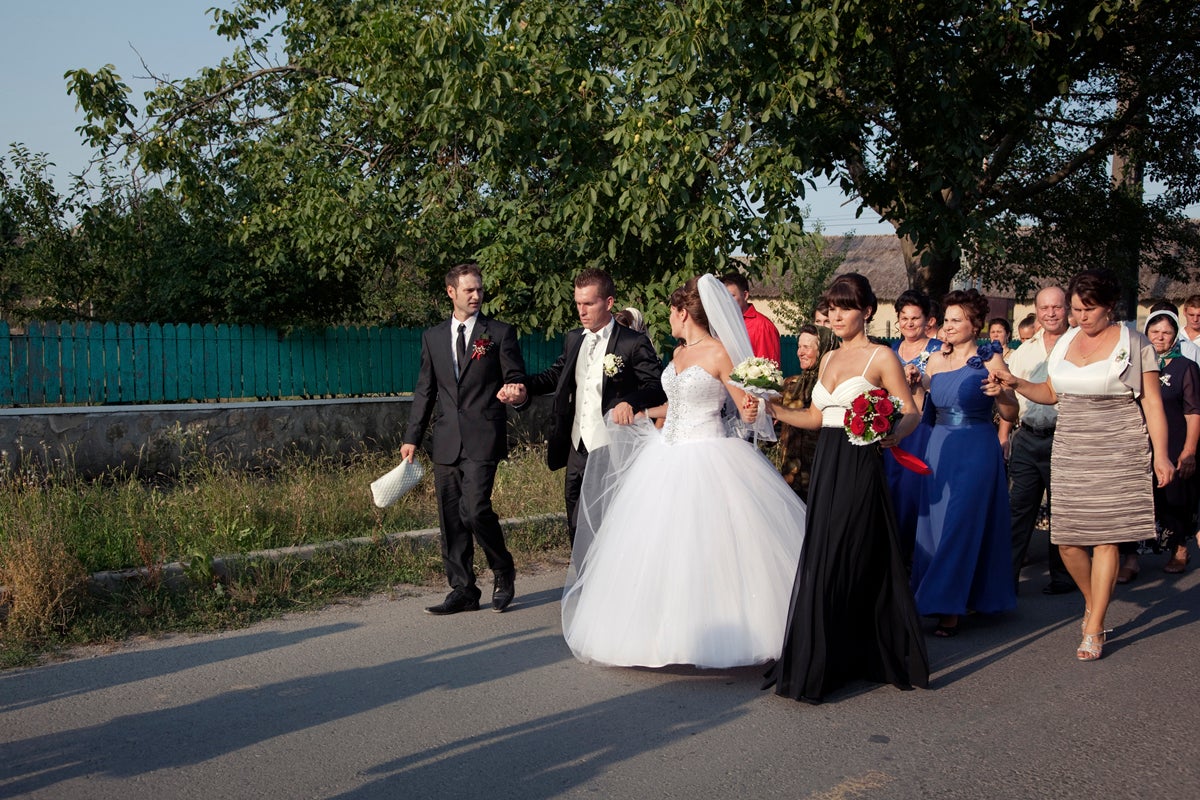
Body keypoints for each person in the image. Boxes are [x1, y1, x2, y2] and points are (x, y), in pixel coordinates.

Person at [561, 275, 806, 667]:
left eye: (671, 314)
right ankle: (657, 634)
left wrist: (751, 408)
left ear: (683, 313)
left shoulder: (719, 353)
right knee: (656, 547)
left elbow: (745, 403)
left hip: (708, 454)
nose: (668, 321)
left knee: (710, 548)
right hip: (666, 453)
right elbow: (674, 406)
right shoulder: (676, 355)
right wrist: (640, 412)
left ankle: (720, 632)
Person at [991, 269, 1175, 661]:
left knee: (1106, 537)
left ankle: (1094, 626)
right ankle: (1095, 600)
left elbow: (1153, 404)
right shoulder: (1066, 341)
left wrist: (1161, 454)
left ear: (1109, 306)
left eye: (1089, 309)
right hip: (1072, 444)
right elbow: (1052, 393)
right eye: (1076, 309)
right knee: (1067, 539)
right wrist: (1015, 382)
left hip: (1118, 444)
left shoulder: (1135, 342)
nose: (1081, 316)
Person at [764, 273, 929, 703]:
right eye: (831, 308)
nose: (835, 315)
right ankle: (831, 656)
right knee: (823, 553)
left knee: (849, 552)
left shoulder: (881, 357)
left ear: (868, 311)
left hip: (859, 463)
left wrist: (893, 431)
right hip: (826, 464)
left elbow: (910, 412)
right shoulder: (829, 358)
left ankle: (863, 652)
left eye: (845, 307)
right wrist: (774, 408)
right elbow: (818, 418)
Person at [401, 263, 527, 615]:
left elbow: (515, 374)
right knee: (450, 519)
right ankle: (463, 590)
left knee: (474, 510)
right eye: (469, 290)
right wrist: (412, 436)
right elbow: (425, 391)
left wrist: (514, 389)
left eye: (480, 289)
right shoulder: (434, 337)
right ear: (451, 292)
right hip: (445, 440)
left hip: (483, 436)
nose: (476, 295)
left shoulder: (498, 333)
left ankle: (503, 569)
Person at [505, 269, 665, 544]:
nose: (582, 310)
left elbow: (656, 387)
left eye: (588, 303)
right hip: (577, 444)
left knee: (603, 520)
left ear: (609, 303)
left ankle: (600, 580)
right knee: (574, 516)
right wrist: (523, 387)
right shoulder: (573, 338)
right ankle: (584, 579)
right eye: (578, 303)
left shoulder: (632, 342)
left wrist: (630, 401)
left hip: (612, 445)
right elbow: (555, 376)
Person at [912, 290, 1018, 636]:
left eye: (957, 320)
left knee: (961, 523)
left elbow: (1010, 412)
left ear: (976, 325)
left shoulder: (991, 360)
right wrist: (916, 382)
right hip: (939, 447)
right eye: (946, 320)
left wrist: (1000, 394)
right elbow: (925, 402)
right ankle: (954, 593)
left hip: (976, 448)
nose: (949, 326)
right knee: (935, 526)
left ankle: (947, 606)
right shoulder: (936, 360)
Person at [1116, 308, 1200, 579]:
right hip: (1137, 442)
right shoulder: (1133, 366)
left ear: (1175, 336)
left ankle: (1178, 546)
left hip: (1173, 442)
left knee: (1172, 497)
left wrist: (1189, 451)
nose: (1160, 338)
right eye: (1155, 332)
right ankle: (1131, 558)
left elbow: (1194, 412)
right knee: (1134, 500)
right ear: (1146, 334)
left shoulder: (1185, 367)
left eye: (1166, 333)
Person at [1005, 287, 1076, 596]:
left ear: (1067, 310)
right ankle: (1005, 579)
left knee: (1062, 511)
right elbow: (1009, 396)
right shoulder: (1024, 351)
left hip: (1066, 439)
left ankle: (1063, 576)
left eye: (1057, 307)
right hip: (1028, 438)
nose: (1050, 313)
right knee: (1018, 510)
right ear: (1036, 310)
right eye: (1044, 307)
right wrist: (1004, 434)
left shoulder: (1078, 346)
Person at [887, 289, 943, 563]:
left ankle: (919, 558)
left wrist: (923, 380)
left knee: (916, 493)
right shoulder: (889, 352)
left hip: (925, 430)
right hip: (892, 430)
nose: (909, 323)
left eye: (915, 318)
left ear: (927, 320)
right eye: (904, 318)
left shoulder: (938, 349)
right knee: (892, 492)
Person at [775, 323, 839, 499]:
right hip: (791, 474)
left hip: (822, 473)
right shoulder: (790, 384)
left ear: (825, 350)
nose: (799, 352)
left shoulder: (833, 387)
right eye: (799, 347)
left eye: (807, 347)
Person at [722, 272, 781, 363]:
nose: (727, 301)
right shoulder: (722, 324)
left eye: (731, 296)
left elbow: (768, 369)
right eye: (723, 296)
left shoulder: (762, 326)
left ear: (745, 295)